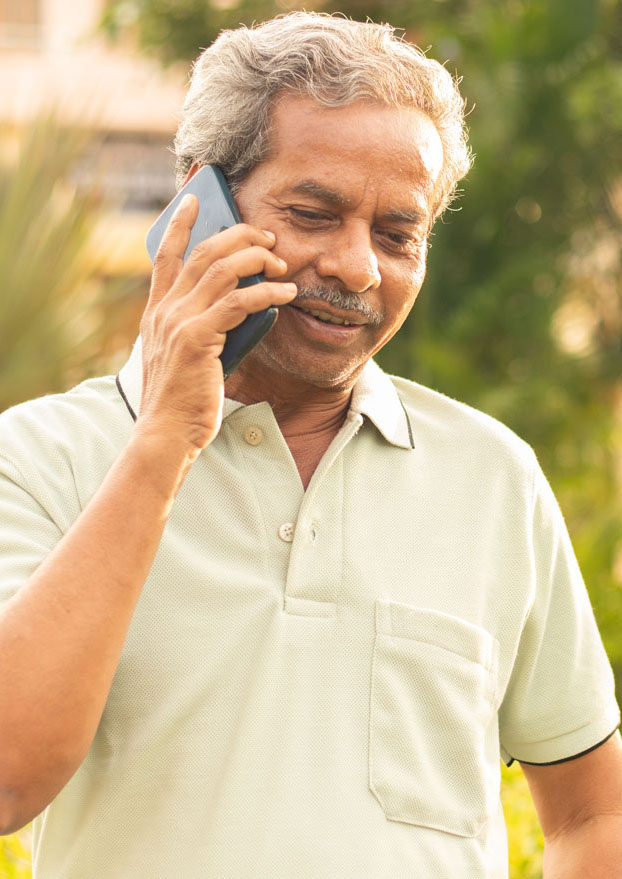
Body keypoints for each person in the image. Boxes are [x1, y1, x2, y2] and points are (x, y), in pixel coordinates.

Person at [0, 11, 620, 878]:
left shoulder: (494, 478)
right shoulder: (36, 457)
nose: (359, 266)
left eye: (398, 234)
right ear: (197, 204)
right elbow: (7, 778)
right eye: (314, 212)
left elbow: (593, 813)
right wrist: (165, 443)